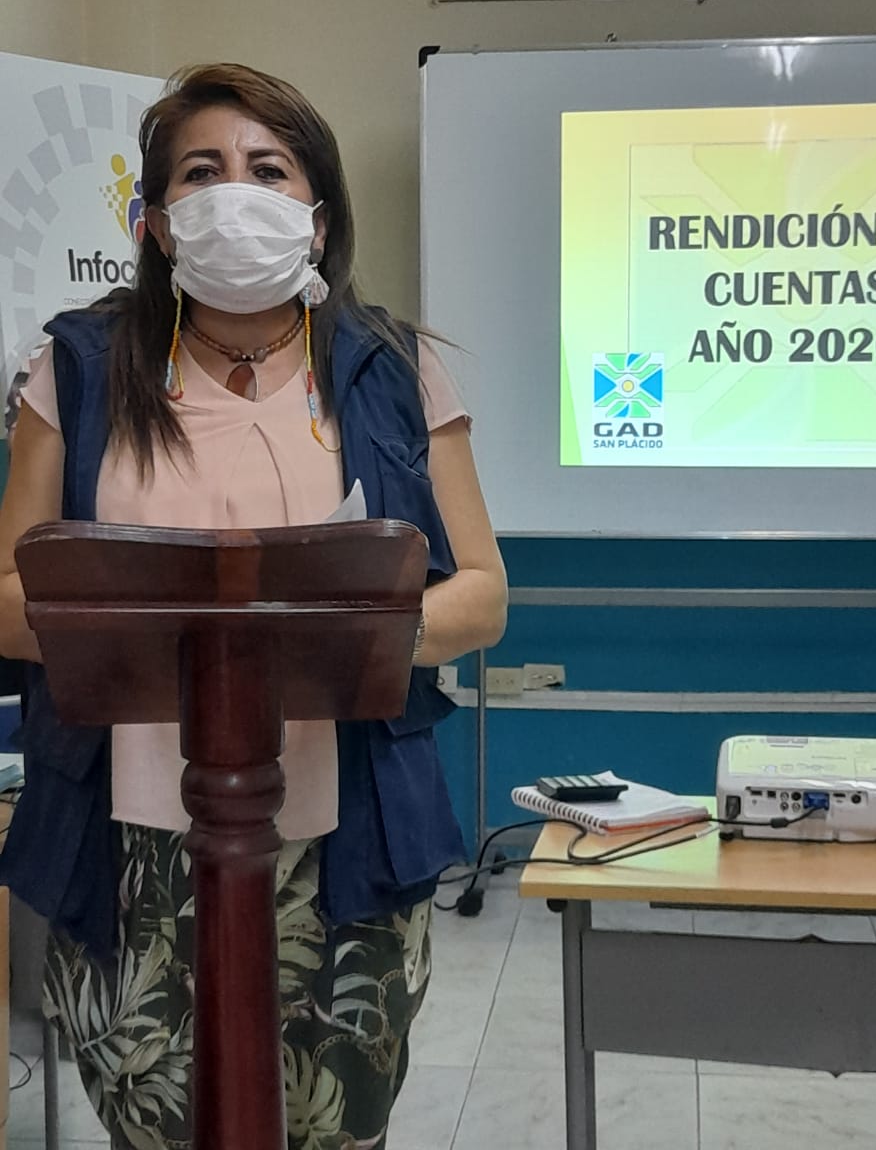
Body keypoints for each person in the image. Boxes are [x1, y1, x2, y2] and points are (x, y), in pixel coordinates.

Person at [0, 63, 507, 1150]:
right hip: (130, 837)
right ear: (154, 220)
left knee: (333, 1122)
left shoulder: (396, 370)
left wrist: (353, 636)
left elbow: (482, 594)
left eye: (268, 169)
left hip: (350, 828)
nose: (236, 191)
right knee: (158, 1126)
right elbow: (4, 598)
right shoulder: (76, 371)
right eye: (202, 171)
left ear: (317, 217)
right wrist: (161, 631)